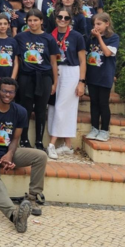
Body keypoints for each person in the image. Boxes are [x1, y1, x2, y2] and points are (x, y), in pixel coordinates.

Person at [0, 78, 48, 232]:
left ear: (15, 93)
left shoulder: (20, 111)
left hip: (9, 151)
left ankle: (32, 197)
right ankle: (14, 215)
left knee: (40, 156)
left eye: (11, 92)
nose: (7, 95)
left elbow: (15, 138)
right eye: (4, 90)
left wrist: (9, 155)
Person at [15, 9, 59, 149]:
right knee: (25, 109)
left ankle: (39, 141)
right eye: (30, 20)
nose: (32, 23)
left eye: (35, 20)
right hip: (26, 77)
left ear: (41, 21)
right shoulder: (20, 37)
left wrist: (55, 82)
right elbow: (17, 60)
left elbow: (53, 62)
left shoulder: (49, 38)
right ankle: (24, 139)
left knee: (40, 110)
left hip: (44, 77)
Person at [46, 8, 86, 159]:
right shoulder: (50, 36)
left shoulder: (77, 36)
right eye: (60, 17)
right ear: (55, 18)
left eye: (66, 18)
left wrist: (81, 81)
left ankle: (51, 144)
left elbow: (83, 60)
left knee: (63, 106)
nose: (62, 19)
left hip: (71, 71)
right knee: (53, 107)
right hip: (55, 70)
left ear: (70, 20)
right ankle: (68, 145)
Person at [85, 13, 120, 142]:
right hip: (93, 75)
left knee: (103, 103)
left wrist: (99, 37)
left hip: (105, 76)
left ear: (107, 24)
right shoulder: (90, 38)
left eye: (99, 24)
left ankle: (104, 130)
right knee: (93, 103)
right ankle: (94, 128)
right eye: (94, 24)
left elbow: (107, 53)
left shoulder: (113, 38)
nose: (96, 27)